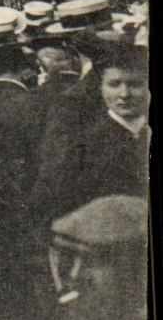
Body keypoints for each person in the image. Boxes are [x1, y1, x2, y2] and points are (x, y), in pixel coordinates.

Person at [31, 38, 148, 222]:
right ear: (101, 88)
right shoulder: (83, 144)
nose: (125, 94)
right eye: (114, 84)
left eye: (135, 84)